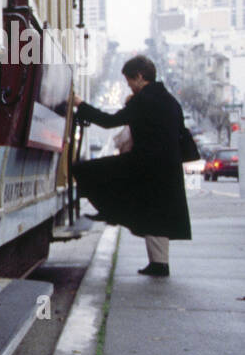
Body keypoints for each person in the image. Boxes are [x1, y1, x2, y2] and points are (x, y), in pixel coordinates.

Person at [70, 55, 191, 276]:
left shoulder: (143, 100)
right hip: (168, 168)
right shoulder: (170, 100)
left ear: (140, 77)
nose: (129, 87)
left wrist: (80, 105)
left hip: (144, 165)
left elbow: (108, 121)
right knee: (157, 216)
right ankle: (159, 264)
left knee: (84, 169)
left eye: (129, 81)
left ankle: (109, 211)